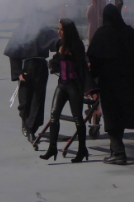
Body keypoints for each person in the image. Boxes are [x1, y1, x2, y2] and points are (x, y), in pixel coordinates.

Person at [87, 4, 134, 165]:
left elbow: (93, 57)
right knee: (121, 114)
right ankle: (116, 150)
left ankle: (118, 153)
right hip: (127, 80)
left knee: (112, 116)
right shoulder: (128, 32)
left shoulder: (102, 33)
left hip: (109, 81)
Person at [40, 19, 92, 163]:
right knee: (53, 116)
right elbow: (56, 59)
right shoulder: (60, 44)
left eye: (61, 29)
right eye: (58, 29)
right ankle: (52, 148)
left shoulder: (77, 45)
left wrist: (88, 88)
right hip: (62, 85)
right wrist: (53, 65)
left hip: (74, 86)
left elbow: (82, 67)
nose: (59, 32)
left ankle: (82, 150)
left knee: (78, 119)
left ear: (67, 30)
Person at [4, 12, 59, 144]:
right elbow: (13, 53)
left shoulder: (43, 29)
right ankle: (26, 122)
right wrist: (18, 72)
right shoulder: (20, 30)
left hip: (40, 66)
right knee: (25, 100)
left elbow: (56, 41)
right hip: (25, 68)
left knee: (38, 99)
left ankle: (31, 129)